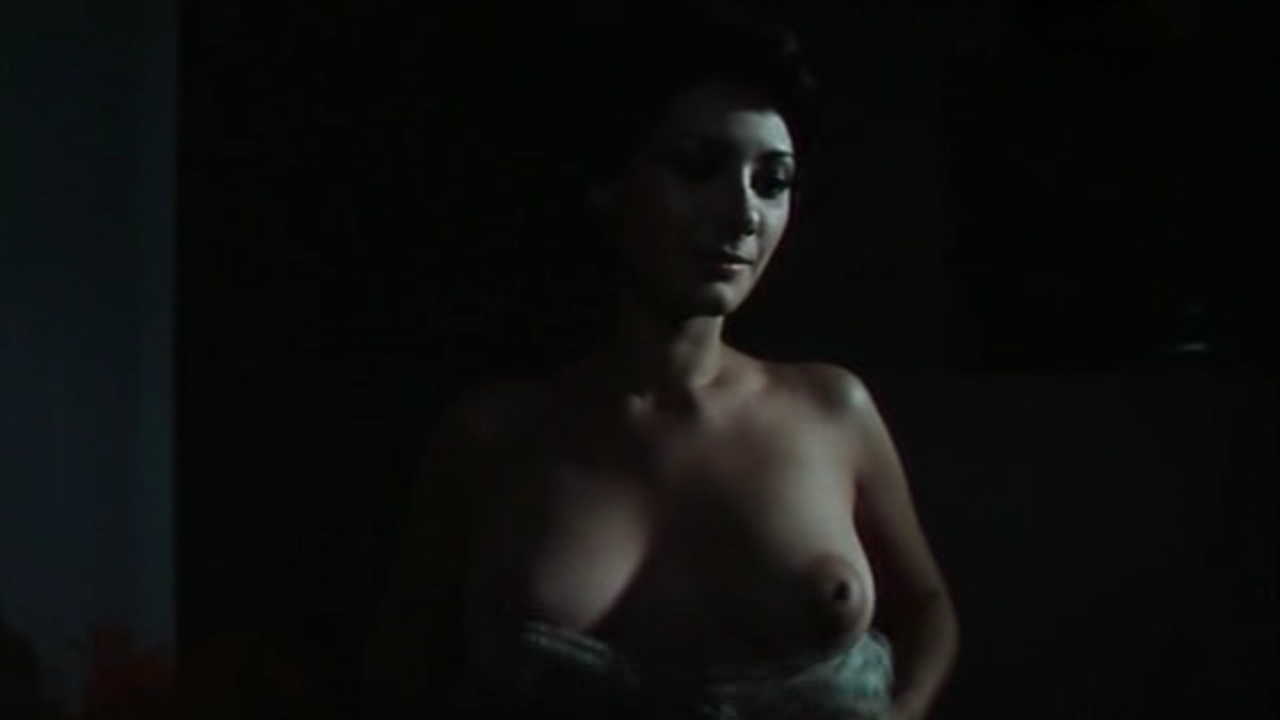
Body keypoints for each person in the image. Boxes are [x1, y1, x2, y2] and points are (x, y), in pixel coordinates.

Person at [365, 3, 959, 719]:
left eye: (773, 181)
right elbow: (400, 667)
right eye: (699, 167)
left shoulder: (831, 409)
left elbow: (927, 605)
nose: (743, 213)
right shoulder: (493, 434)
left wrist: (905, 712)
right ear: (611, 183)